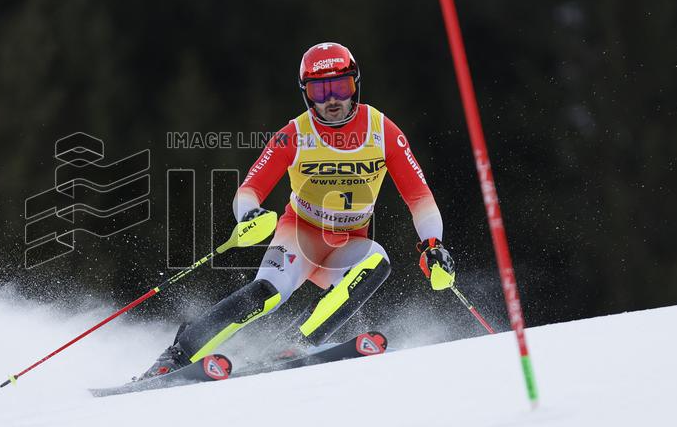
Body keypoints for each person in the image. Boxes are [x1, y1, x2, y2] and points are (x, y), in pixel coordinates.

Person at [140, 42, 455, 378]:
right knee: (268, 294)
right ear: (307, 94)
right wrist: (248, 215)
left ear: (355, 86)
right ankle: (177, 354)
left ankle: (296, 343)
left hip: (346, 244)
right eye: (320, 92)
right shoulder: (295, 134)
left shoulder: (381, 131)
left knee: (377, 260)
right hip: (299, 234)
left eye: (341, 87)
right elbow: (250, 189)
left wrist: (433, 246)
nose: (332, 100)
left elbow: (419, 196)